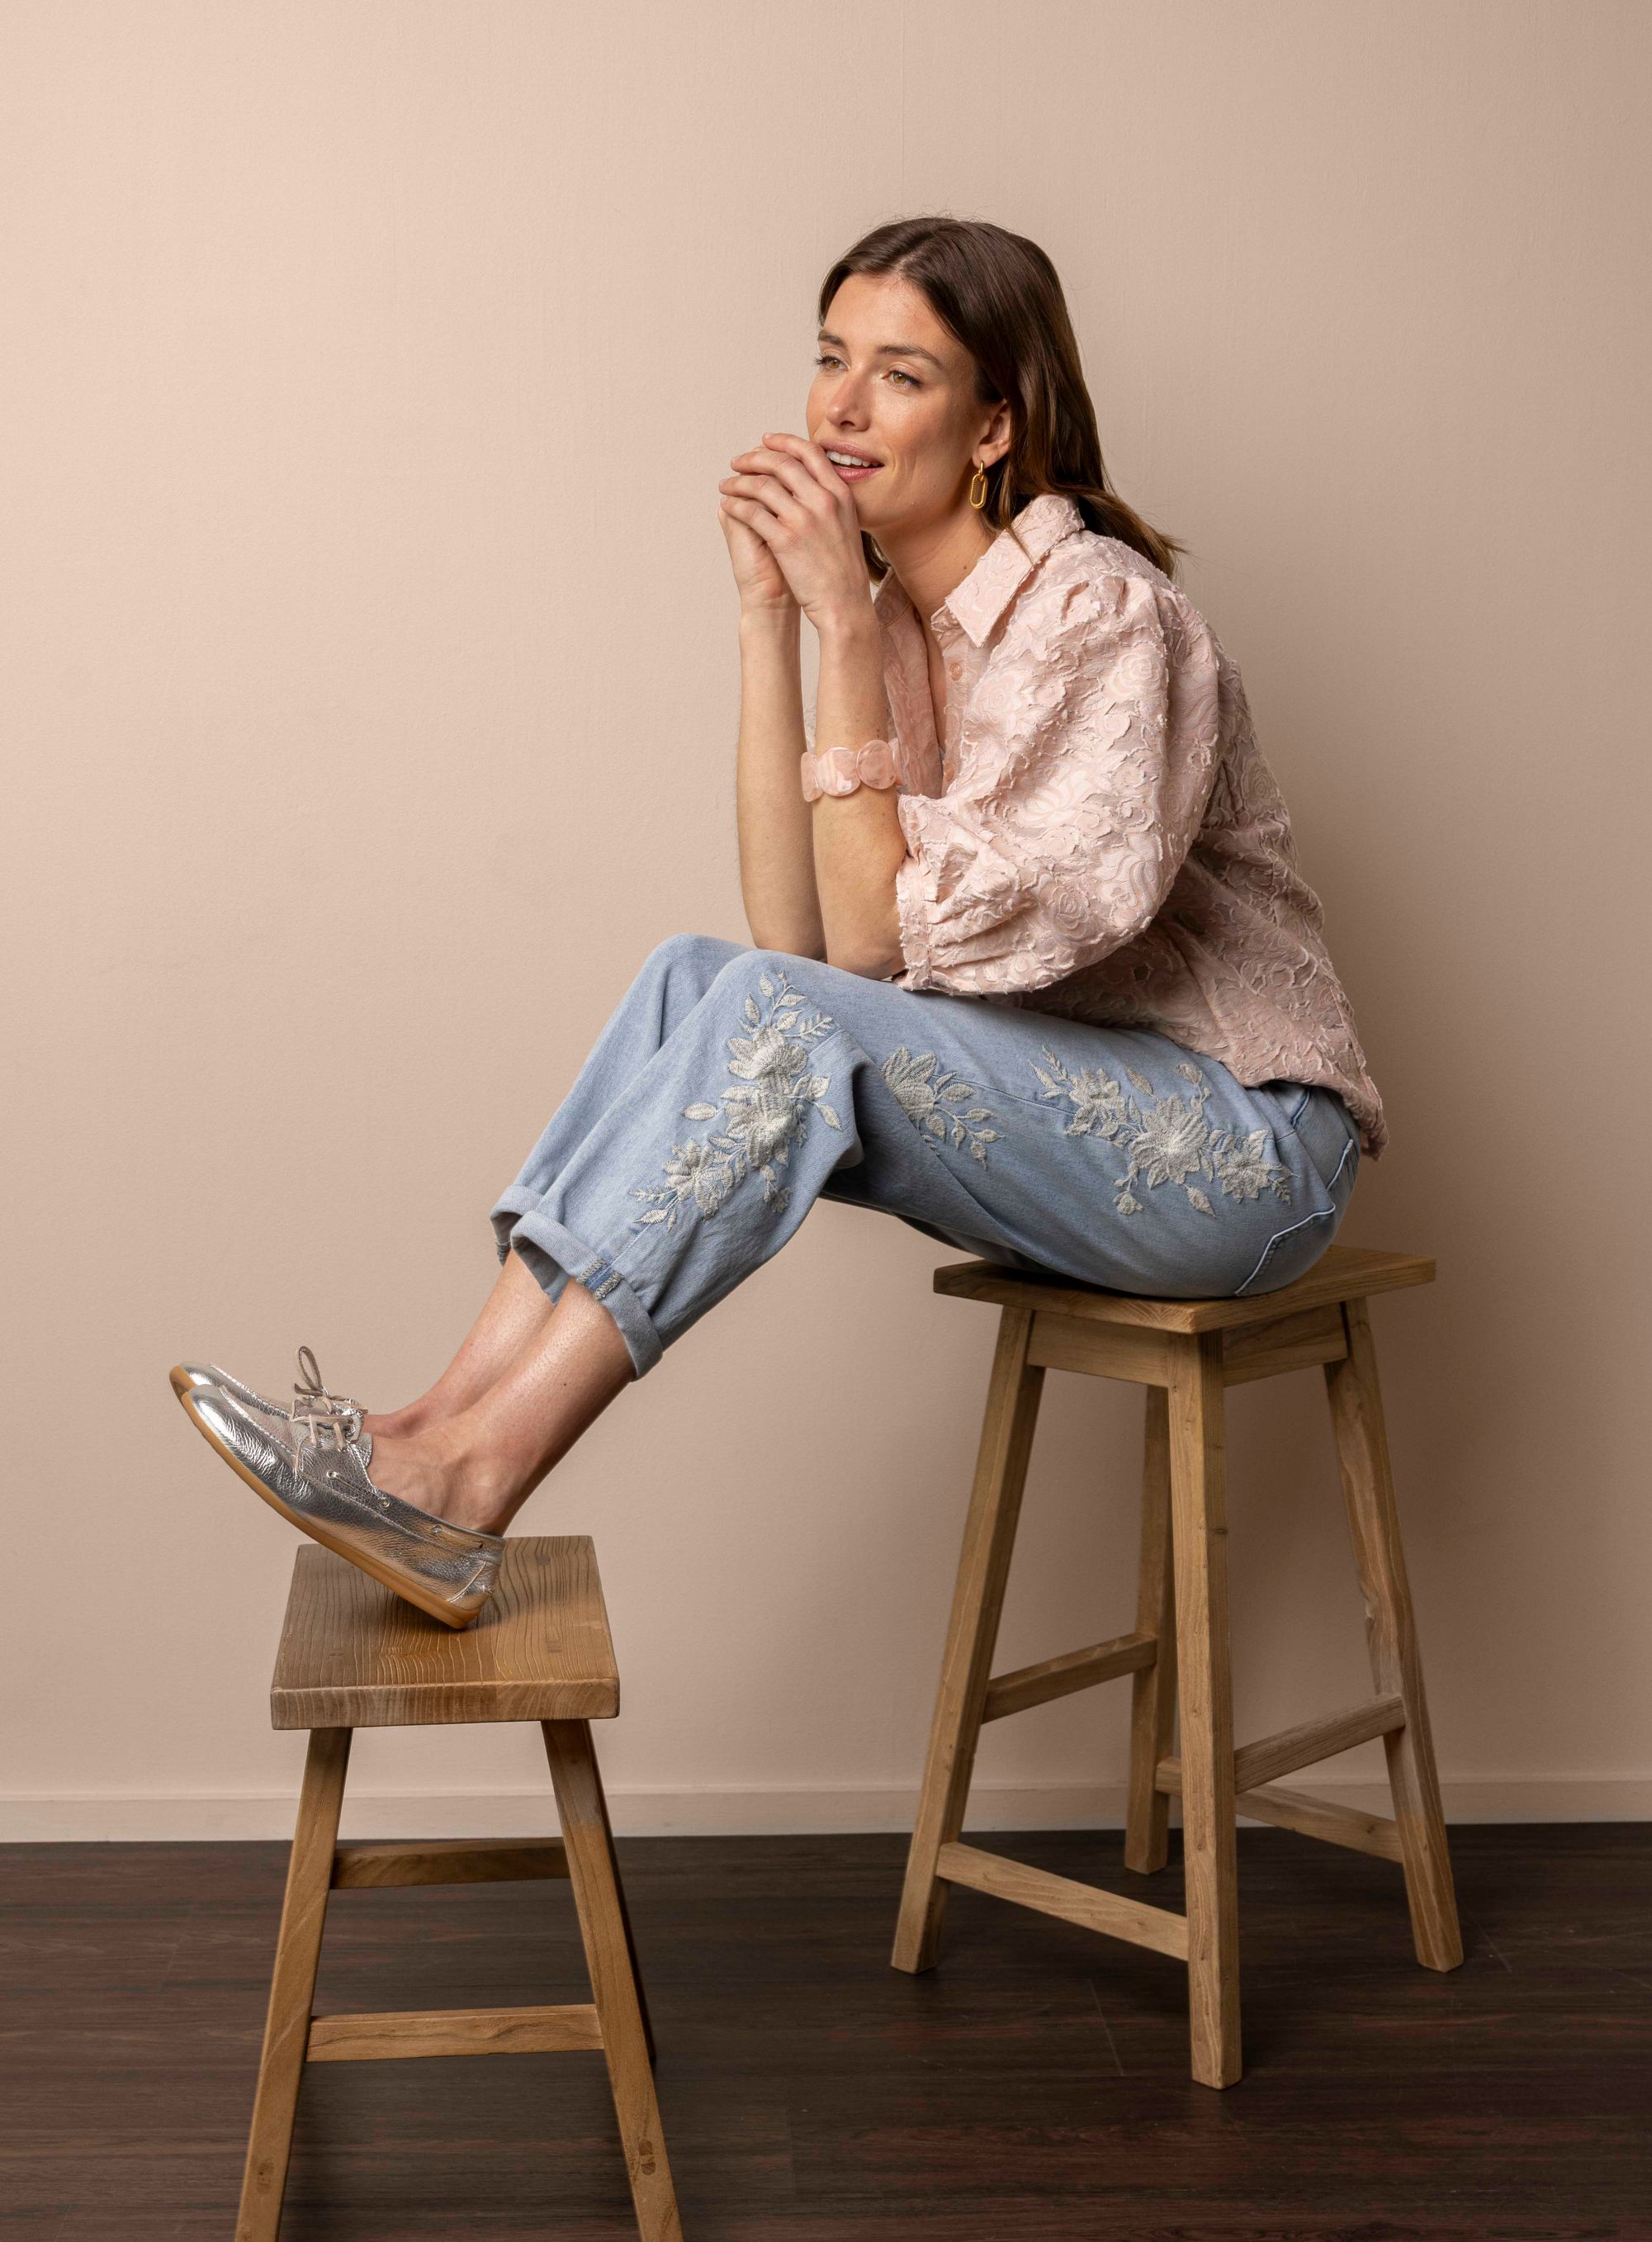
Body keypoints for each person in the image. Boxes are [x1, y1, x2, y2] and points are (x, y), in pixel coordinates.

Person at [173, 215, 1382, 1632]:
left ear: (994, 426)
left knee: (767, 1007)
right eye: (829, 359)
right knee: (695, 979)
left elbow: (853, 957)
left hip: (1244, 1156)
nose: (842, 407)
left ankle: (474, 1482)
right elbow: (793, 943)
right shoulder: (904, 625)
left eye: (900, 375)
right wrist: (772, 621)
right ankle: (430, 1430)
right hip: (1080, 1122)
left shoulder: (1101, 618)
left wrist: (842, 631)